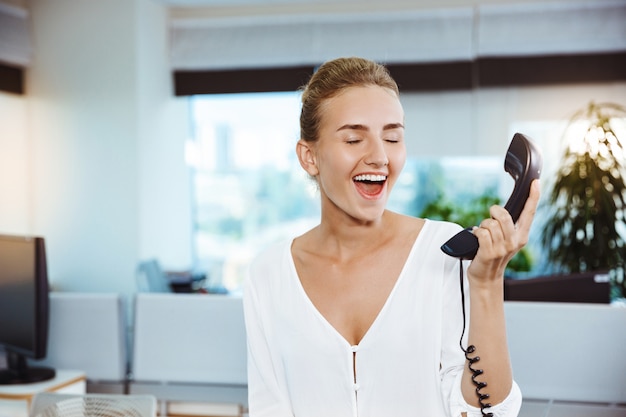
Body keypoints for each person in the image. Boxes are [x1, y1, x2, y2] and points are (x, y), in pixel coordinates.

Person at [243, 56, 540, 417]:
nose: (380, 157)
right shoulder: (268, 275)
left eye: (392, 136)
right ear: (309, 157)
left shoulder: (446, 251)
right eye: (354, 139)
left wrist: (486, 283)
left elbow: (488, 412)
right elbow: (268, 408)